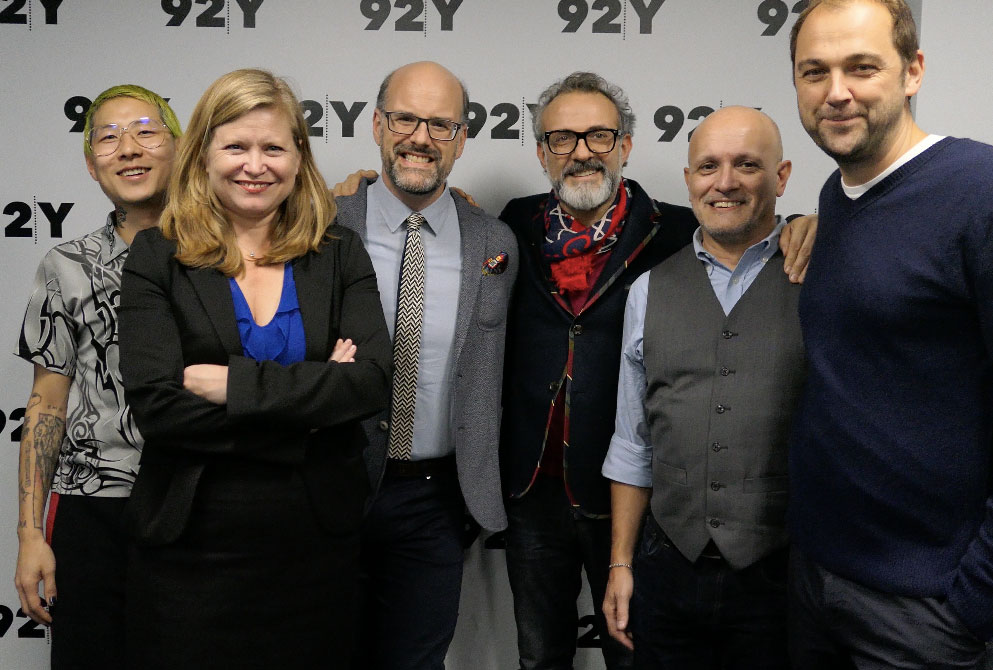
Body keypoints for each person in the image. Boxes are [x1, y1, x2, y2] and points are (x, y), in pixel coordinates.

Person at [497, 72, 815, 670]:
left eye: (599, 135)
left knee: (632, 655)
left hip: (638, 505)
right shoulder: (509, 227)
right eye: (562, 138)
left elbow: (746, 226)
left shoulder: (672, 232)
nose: (582, 151)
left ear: (626, 146)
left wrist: (812, 223)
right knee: (539, 656)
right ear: (542, 153)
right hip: (534, 489)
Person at [117, 68, 391, 669]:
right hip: (191, 550)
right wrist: (313, 409)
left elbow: (370, 381)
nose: (255, 165)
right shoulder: (157, 256)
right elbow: (159, 407)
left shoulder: (338, 252)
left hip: (316, 550)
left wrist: (234, 385)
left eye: (273, 147)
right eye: (236, 146)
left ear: (299, 158)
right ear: (203, 156)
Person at [788, 1, 993, 667]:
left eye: (861, 67)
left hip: (923, 610)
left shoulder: (978, 191)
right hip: (817, 579)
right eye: (813, 72)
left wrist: (972, 598)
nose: (836, 92)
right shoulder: (832, 194)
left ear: (912, 71)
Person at [601, 106, 803, 669]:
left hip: (783, 575)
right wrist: (621, 563)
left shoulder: (822, 275)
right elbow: (632, 441)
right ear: (689, 179)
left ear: (782, 177)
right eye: (708, 166)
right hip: (668, 569)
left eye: (747, 165)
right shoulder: (648, 291)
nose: (726, 182)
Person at [333, 61, 517, 670]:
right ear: (378, 125)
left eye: (441, 124)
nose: (421, 137)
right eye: (406, 119)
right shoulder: (323, 228)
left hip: (436, 500)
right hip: (332, 486)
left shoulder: (495, 243)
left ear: (462, 139)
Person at [12, 84, 180, 669]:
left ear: (179, 147)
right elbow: (46, 404)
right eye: (107, 138)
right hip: (94, 510)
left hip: (200, 502)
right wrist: (30, 533)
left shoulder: (229, 255)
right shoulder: (66, 266)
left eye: (145, 131)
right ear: (91, 165)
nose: (128, 149)